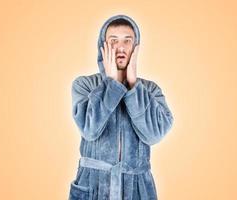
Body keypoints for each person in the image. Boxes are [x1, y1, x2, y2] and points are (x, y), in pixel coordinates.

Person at [68, 14, 174, 200]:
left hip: (138, 190)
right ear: (103, 47)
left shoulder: (150, 90)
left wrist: (133, 85)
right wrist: (111, 84)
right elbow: (90, 130)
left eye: (127, 40)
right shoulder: (85, 85)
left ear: (136, 47)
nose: (121, 47)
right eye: (113, 40)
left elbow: (154, 135)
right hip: (92, 187)